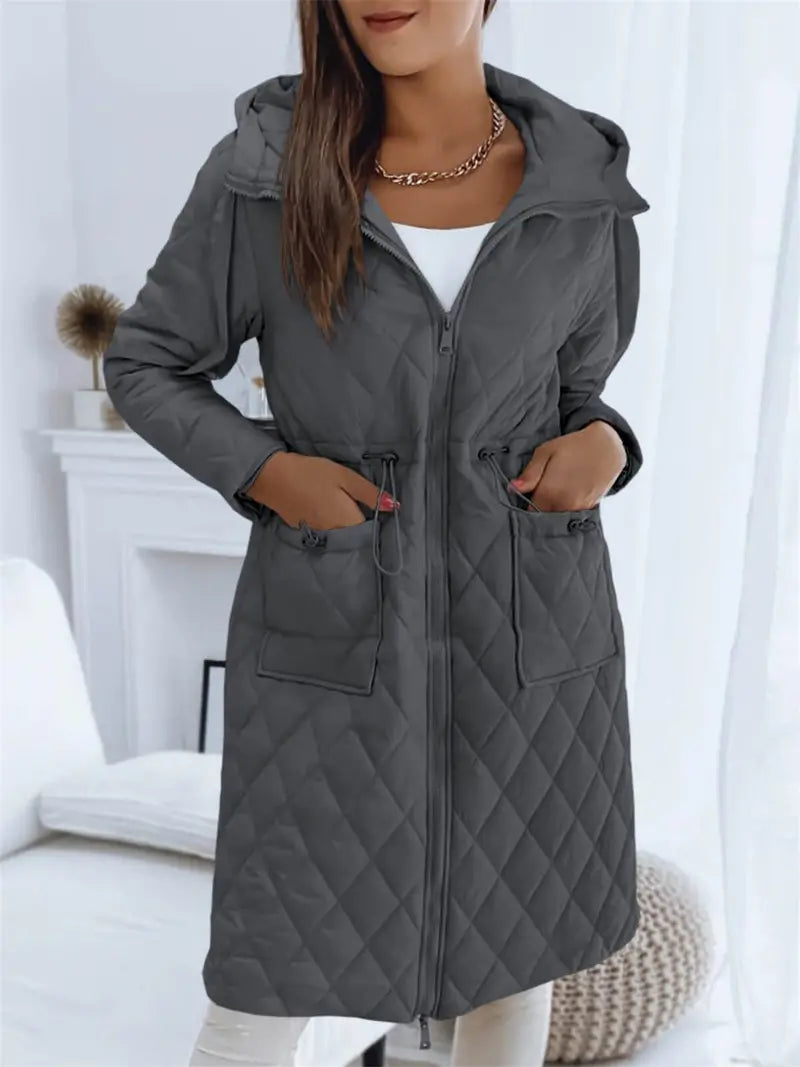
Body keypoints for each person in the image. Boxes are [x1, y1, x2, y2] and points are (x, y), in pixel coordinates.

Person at [103, 1, 650, 1064]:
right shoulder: (266, 170)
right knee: (265, 979)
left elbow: (579, 391)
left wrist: (606, 444)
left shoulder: (581, 182)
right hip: (332, 634)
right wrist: (270, 471)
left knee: (511, 966)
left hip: (530, 634)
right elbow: (147, 362)